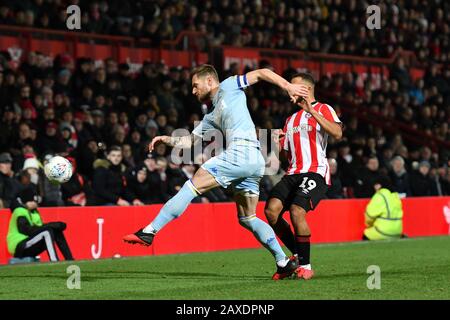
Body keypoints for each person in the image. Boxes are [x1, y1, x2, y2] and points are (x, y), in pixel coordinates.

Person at [124, 64, 306, 279]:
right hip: (254, 161)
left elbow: (261, 73)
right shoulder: (211, 114)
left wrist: (287, 86)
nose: (193, 91)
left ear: (209, 80)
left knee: (192, 185)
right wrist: (166, 139)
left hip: (242, 153)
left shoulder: (229, 85)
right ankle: (283, 261)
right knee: (247, 218)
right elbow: (189, 140)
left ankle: (150, 231)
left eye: (195, 85)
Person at [264, 72, 343, 280]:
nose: (289, 91)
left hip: (315, 171)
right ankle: (297, 256)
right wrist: (277, 143)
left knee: (297, 211)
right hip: (293, 172)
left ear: (306, 90)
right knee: (271, 211)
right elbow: (284, 157)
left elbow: (337, 133)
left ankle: (306, 266)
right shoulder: (290, 120)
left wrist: (311, 111)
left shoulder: (323, 108)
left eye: (294, 87)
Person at [6, 181, 74, 262]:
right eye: (32, 201)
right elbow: (26, 230)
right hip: (19, 246)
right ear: (26, 201)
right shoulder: (19, 211)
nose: (35, 203)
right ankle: (54, 261)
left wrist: (54, 226)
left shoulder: (34, 212)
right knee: (47, 232)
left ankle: (69, 259)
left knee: (55, 231)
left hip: (29, 242)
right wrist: (50, 225)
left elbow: (39, 228)